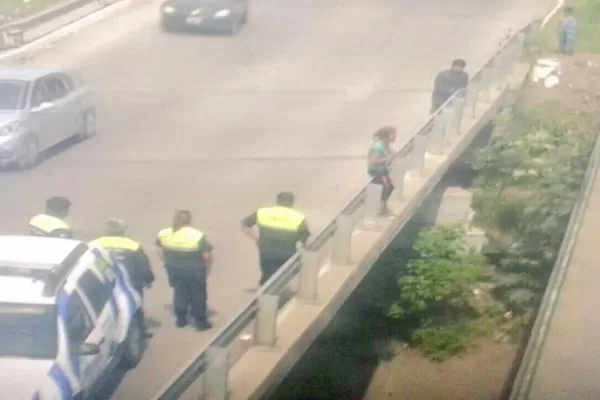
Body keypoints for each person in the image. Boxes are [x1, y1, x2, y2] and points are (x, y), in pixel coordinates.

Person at [90, 219, 155, 338]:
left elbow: (91, 262)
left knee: (101, 309)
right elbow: (142, 264)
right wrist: (148, 279)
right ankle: (139, 331)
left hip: (103, 281)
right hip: (131, 281)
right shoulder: (133, 245)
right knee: (135, 306)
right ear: (123, 231)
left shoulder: (94, 244)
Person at [156, 210, 213, 331]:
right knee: (198, 294)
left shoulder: (164, 233)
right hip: (195, 270)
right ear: (189, 220)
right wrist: (208, 267)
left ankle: (181, 320)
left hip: (174, 269)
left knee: (179, 292)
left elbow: (159, 250)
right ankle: (200, 322)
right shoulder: (197, 235)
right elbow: (207, 256)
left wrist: (167, 262)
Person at [241, 192, 310, 286]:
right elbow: (304, 237)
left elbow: (245, 225)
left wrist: (256, 239)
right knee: (283, 277)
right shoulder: (298, 217)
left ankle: (264, 294)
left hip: (266, 251)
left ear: (277, 201)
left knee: (267, 276)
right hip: (288, 252)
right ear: (292, 202)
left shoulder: (263, 212)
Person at [368, 127, 396, 215]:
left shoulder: (386, 144)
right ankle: (380, 209)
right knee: (383, 189)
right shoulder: (378, 146)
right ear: (387, 135)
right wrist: (386, 159)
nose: (395, 137)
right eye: (393, 135)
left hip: (383, 170)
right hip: (376, 170)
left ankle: (383, 207)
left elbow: (388, 154)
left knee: (390, 187)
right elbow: (372, 161)